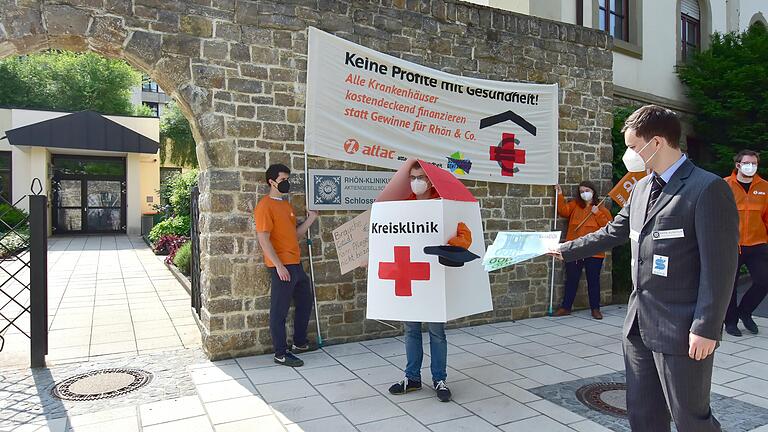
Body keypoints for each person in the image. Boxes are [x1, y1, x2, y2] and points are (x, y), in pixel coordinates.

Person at [549, 105, 739, 432]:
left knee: (690, 418)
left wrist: (707, 326)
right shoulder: (640, 189)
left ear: (657, 143)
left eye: (634, 147)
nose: (630, 154)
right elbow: (613, 232)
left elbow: (720, 266)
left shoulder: (706, 188)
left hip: (682, 330)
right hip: (638, 326)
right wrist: (563, 250)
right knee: (643, 414)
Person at [387, 162, 471, 403]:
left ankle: (439, 379)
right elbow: (388, 235)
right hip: (409, 277)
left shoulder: (444, 206)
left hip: (434, 279)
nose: (416, 181)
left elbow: (464, 235)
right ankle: (412, 378)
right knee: (411, 330)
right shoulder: (403, 205)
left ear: (431, 180)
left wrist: (453, 243)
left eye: (421, 177)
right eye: (412, 177)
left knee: (437, 332)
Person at [254, 163, 318, 367]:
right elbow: (263, 240)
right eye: (282, 180)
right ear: (271, 182)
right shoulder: (264, 206)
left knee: (306, 302)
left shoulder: (286, 205)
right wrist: (279, 265)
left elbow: (295, 235)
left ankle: (299, 343)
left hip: (296, 264)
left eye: (287, 179)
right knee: (279, 311)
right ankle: (280, 353)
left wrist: (311, 219)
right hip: (282, 266)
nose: (286, 183)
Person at [723, 150, 768, 336]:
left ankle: (745, 312)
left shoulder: (764, 187)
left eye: (754, 163)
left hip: (758, 244)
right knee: (729, 285)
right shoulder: (724, 185)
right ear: (738, 165)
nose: (751, 166)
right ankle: (730, 321)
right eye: (747, 163)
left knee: (764, 280)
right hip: (732, 244)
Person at [553, 181, 613, 319]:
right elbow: (563, 211)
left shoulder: (601, 209)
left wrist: (597, 214)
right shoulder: (575, 205)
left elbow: (609, 227)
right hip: (574, 249)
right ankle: (566, 307)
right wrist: (560, 194)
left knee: (593, 280)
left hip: (594, 250)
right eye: (581, 191)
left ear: (593, 191)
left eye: (587, 190)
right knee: (571, 279)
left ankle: (595, 309)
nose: (584, 193)